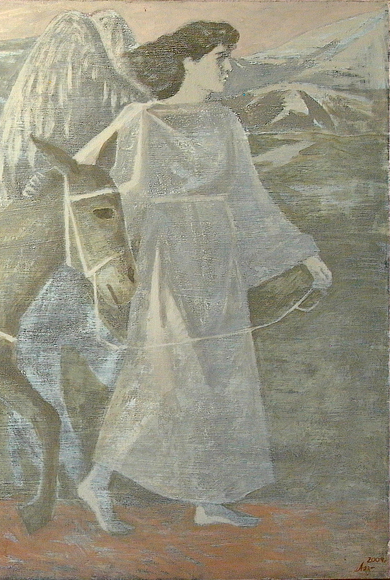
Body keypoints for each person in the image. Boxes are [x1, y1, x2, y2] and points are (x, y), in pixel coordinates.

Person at [73, 21, 332, 534]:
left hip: (219, 255)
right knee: (164, 372)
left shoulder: (225, 121)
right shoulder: (145, 118)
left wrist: (303, 254)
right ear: (188, 62)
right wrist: (115, 256)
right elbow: (122, 186)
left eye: (228, 57)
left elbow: (249, 196)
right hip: (168, 254)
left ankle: (210, 500)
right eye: (219, 57)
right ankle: (97, 480)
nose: (228, 68)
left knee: (222, 373)